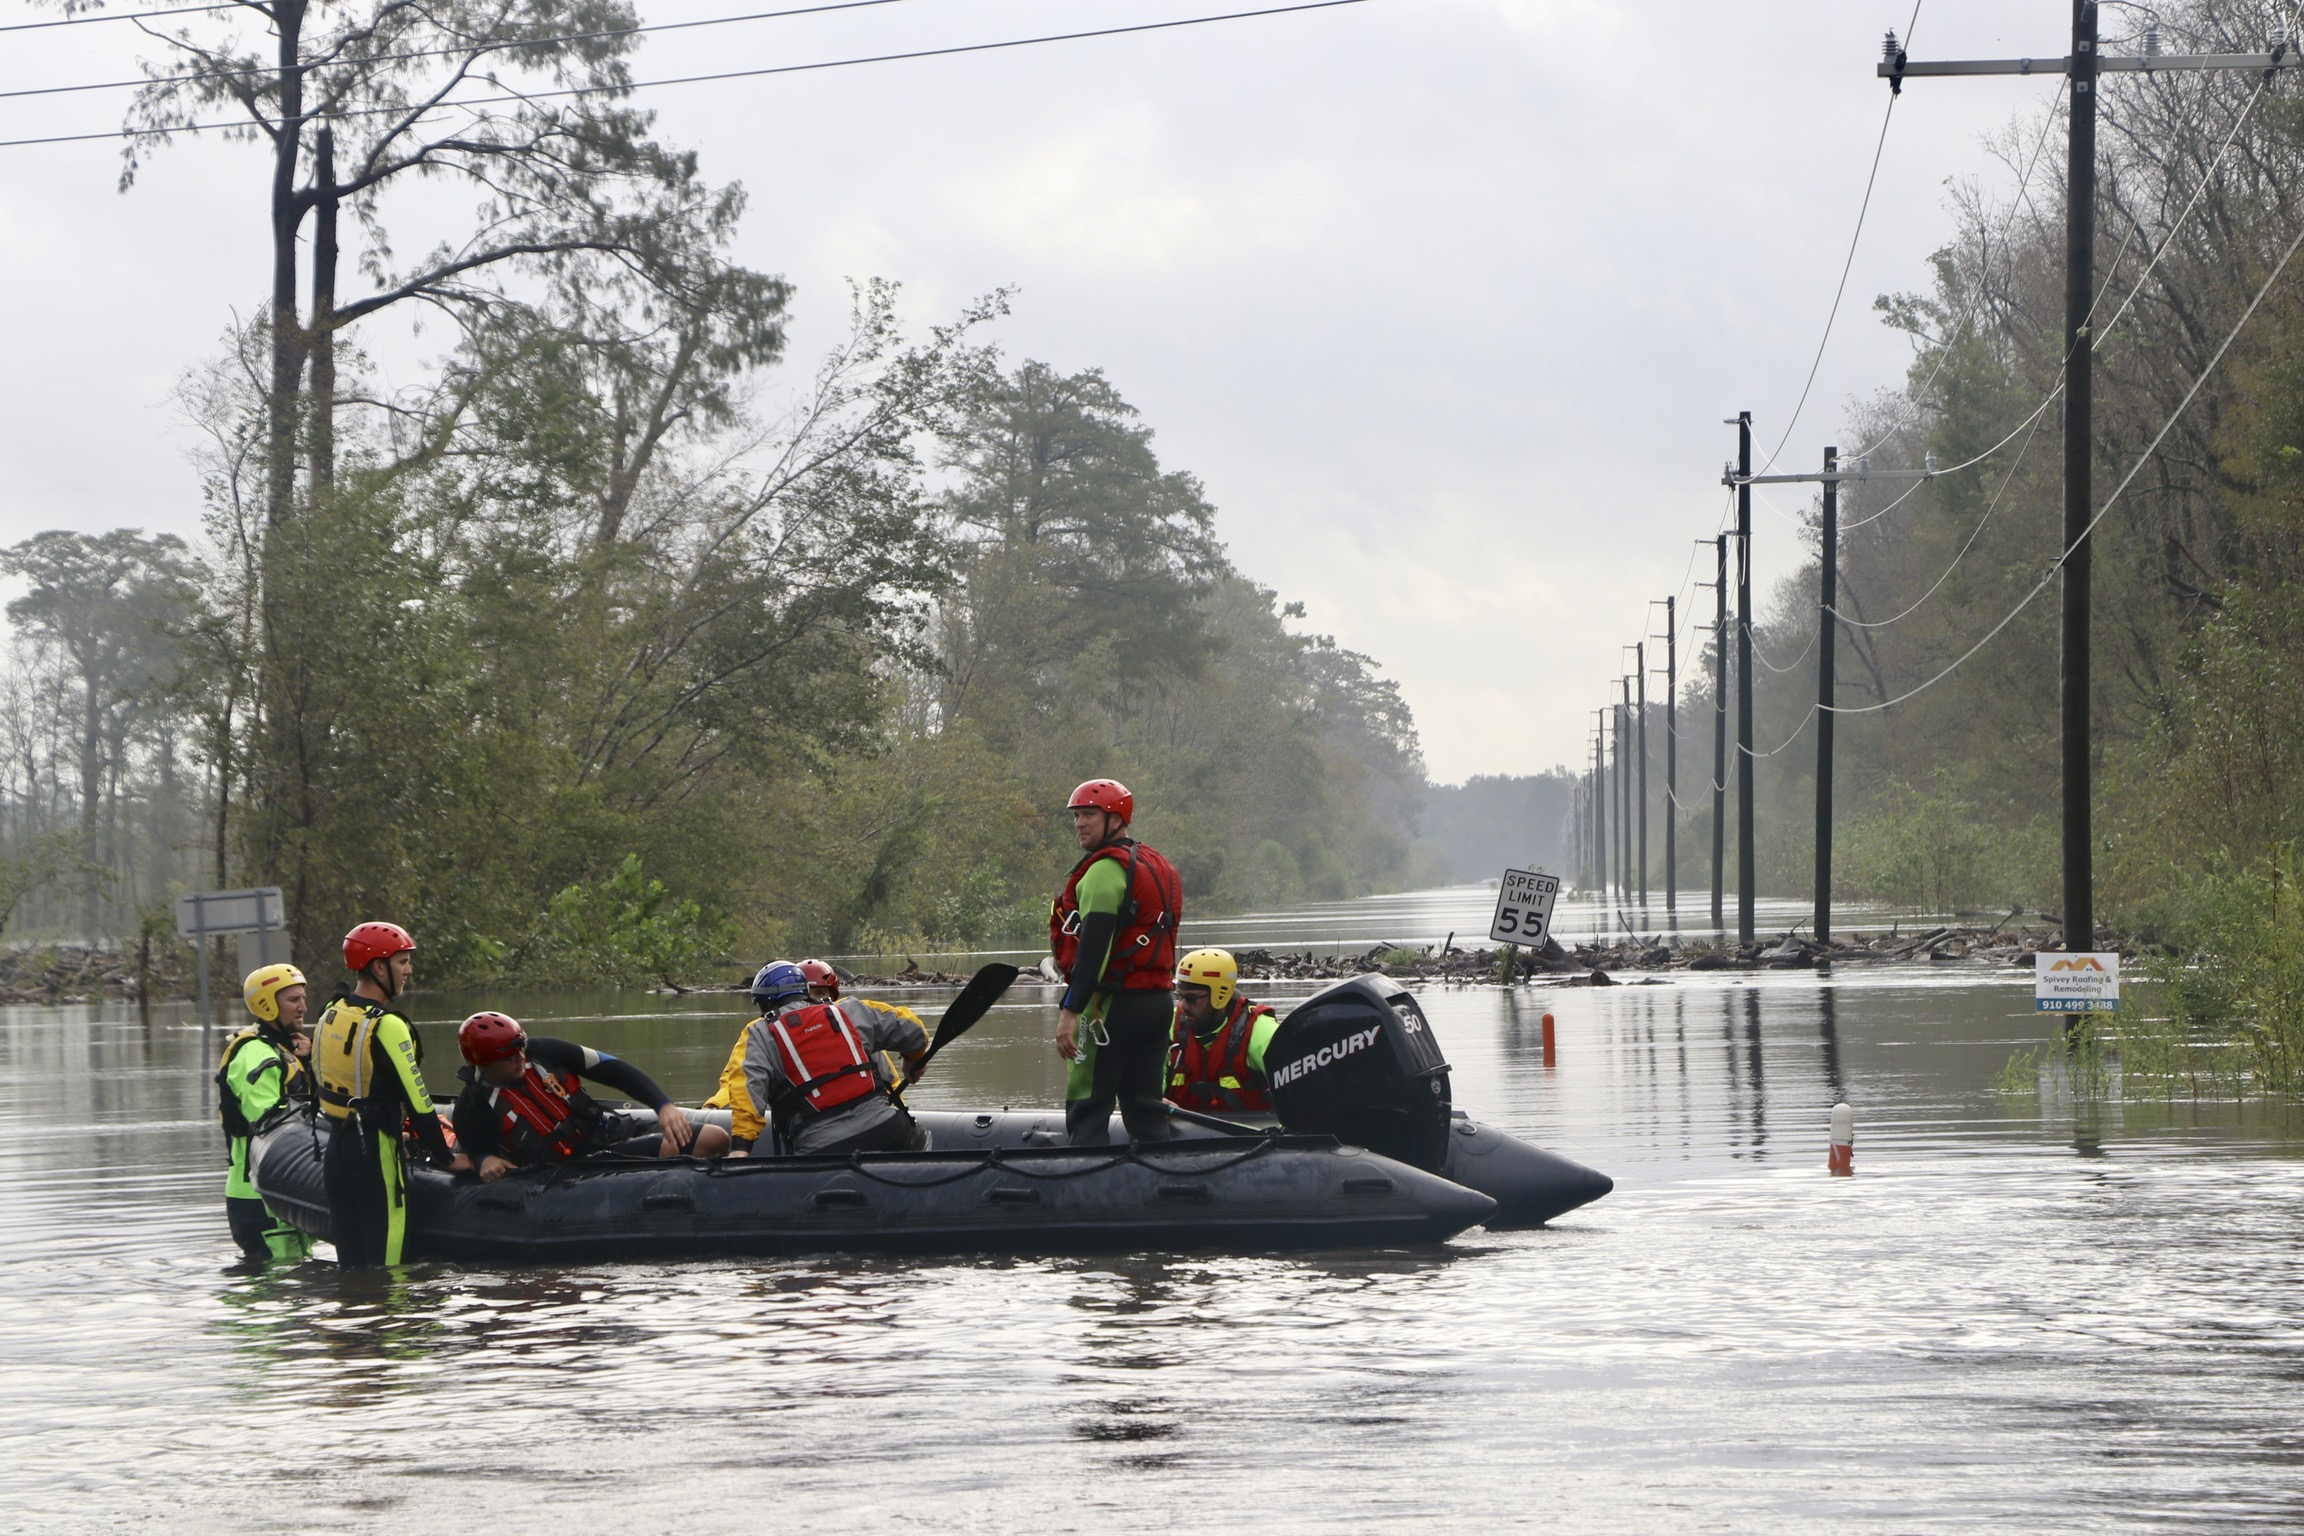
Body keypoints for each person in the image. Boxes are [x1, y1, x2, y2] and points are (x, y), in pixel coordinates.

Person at [312, 921, 460, 1268]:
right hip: (376, 1156)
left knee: (352, 1273)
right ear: (379, 966)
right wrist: (447, 1158)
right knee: (387, 1274)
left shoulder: (329, 1014)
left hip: (337, 1154)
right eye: (402, 961)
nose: (408, 970)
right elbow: (421, 1105)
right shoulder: (388, 1025)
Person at [1050, 777, 1182, 1146]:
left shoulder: (1104, 872)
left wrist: (1070, 1011)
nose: (1080, 824)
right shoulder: (1160, 867)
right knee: (1145, 1108)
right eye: (1077, 816)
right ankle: (1161, 1181)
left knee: (1088, 1106)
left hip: (1113, 1007)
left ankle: (1084, 1188)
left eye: (1089, 815)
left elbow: (1093, 952)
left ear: (1116, 818)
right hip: (1157, 1005)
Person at [451, 1012, 727, 1180]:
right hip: (574, 1165)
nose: (520, 1059)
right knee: (671, 1148)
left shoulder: (545, 1051)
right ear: (484, 1064)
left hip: (605, 1130)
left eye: (521, 1050)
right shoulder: (473, 1104)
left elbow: (615, 1070)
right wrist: (481, 1161)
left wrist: (663, 1105)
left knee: (716, 1138)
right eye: (510, 1057)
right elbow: (469, 1151)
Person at [722, 961, 928, 1155]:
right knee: (920, 1139)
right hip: (888, 1131)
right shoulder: (850, 1009)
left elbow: (745, 1086)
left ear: (764, 1003)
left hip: (819, 1149)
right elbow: (914, 1028)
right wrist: (913, 1057)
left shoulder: (757, 1033)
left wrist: (741, 1146)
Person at [216, 962, 317, 1264]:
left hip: (278, 1187)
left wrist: (310, 1062)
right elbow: (269, 1123)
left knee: (294, 1276)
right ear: (266, 1004)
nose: (303, 1007)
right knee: (278, 1285)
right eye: (292, 1000)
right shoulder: (256, 1054)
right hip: (258, 1192)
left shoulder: (281, 1049)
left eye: (303, 998)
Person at [1166, 948, 1282, 1115]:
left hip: (1248, 1136)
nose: (1183, 1006)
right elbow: (1148, 1077)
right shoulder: (1170, 1024)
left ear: (1219, 996)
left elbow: (1299, 1086)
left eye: (1191, 998)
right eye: (1180, 997)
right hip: (1181, 1134)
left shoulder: (1259, 1029)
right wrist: (1153, 1097)